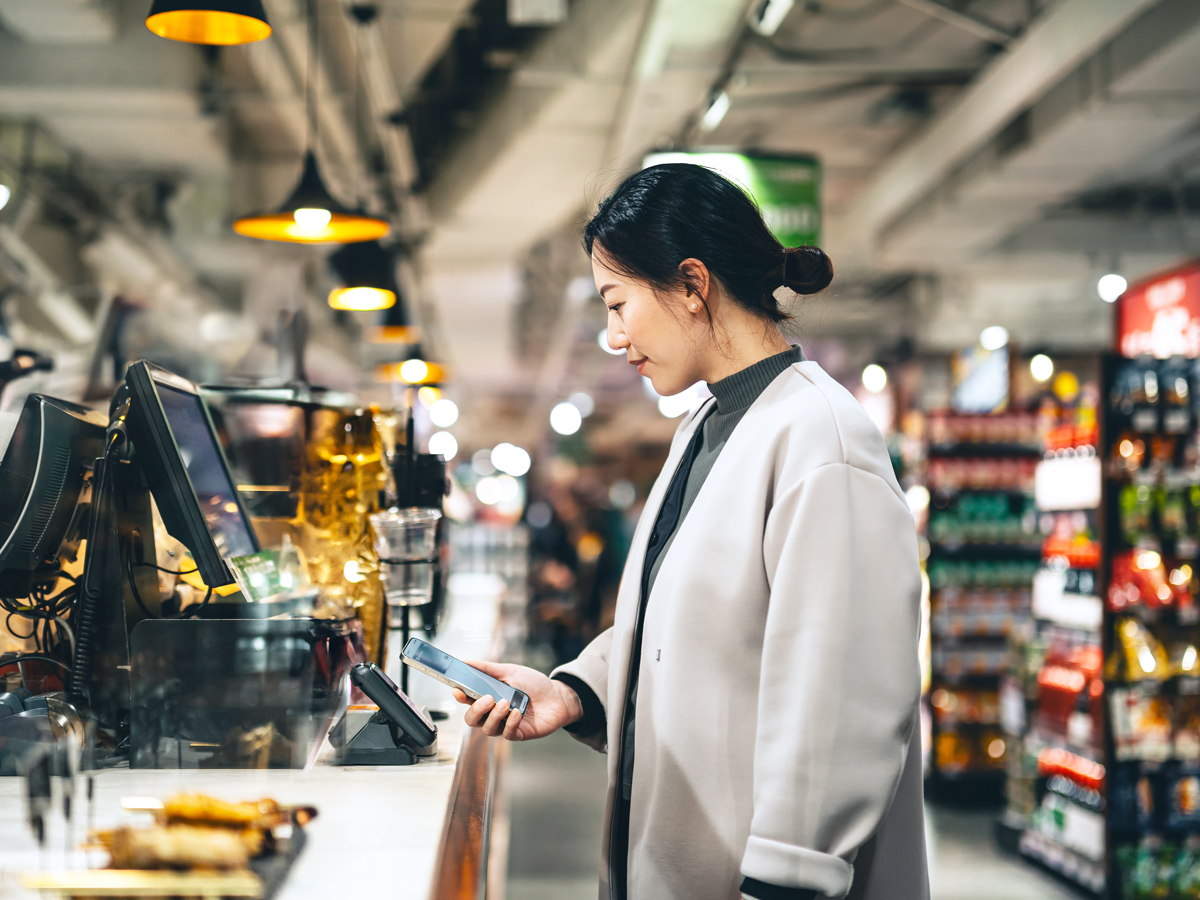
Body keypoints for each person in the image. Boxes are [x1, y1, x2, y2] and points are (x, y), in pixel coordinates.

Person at [452, 163, 927, 900]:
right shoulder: (709, 424)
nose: (613, 338)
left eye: (617, 305)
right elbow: (684, 616)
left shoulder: (823, 439)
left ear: (692, 285)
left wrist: (785, 882)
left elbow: (842, 703)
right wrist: (574, 691)